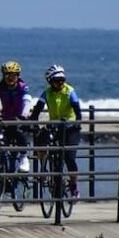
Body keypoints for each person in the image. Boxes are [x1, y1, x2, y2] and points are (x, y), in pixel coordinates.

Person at [27, 64, 83, 197]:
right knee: (40, 141)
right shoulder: (46, 93)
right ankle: (44, 169)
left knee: (70, 158)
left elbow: (77, 110)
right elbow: (37, 109)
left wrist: (77, 123)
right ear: (50, 81)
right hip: (54, 126)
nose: (60, 83)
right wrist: (33, 122)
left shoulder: (70, 91)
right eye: (57, 81)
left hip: (70, 128)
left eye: (62, 80)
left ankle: (74, 186)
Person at [0, 61, 35, 172]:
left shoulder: (22, 87)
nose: (10, 78)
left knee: (19, 133)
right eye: (7, 75)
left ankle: (24, 156)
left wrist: (23, 115)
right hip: (6, 119)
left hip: (19, 119)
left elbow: (27, 101)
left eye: (13, 75)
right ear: (3, 76)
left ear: (18, 76)